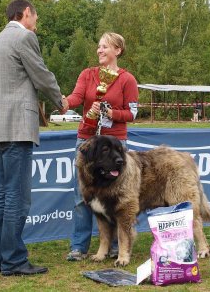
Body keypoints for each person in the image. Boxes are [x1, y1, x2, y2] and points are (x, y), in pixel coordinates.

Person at [0, 0, 67, 276]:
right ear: (26, 13)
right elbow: (41, 76)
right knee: (17, 198)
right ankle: (14, 260)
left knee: (0, 196)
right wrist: (60, 102)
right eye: (36, 15)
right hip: (18, 127)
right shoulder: (24, 37)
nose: (36, 21)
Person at [62, 32, 139, 261]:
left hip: (115, 143)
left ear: (118, 50)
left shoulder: (127, 79)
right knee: (81, 196)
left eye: (105, 47)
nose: (100, 50)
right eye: (99, 46)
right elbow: (77, 97)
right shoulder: (88, 74)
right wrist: (65, 102)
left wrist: (110, 113)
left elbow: (132, 113)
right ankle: (79, 246)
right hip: (87, 141)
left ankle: (116, 246)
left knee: (116, 196)